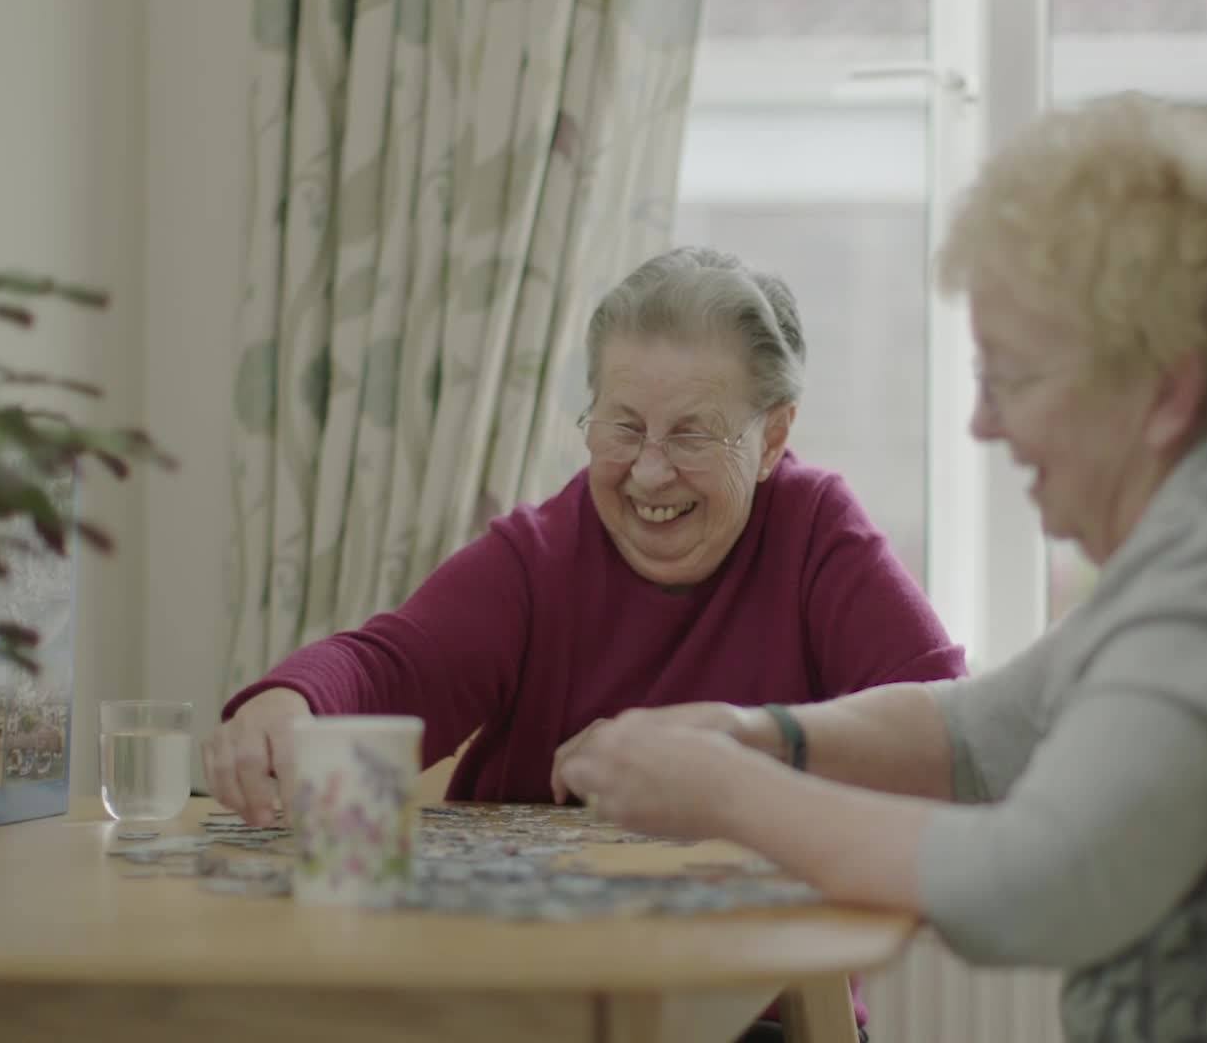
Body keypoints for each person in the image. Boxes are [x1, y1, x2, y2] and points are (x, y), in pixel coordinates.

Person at [551, 94, 1207, 1041]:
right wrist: (757, 734)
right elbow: (982, 735)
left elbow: (1037, 884)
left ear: (1167, 390)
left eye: (1016, 379)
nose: (985, 422)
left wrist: (726, 795)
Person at [204, 245, 957, 1041]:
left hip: (757, 1014)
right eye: (622, 428)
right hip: (529, 1012)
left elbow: (950, 733)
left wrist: (727, 760)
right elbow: (391, 664)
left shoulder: (816, 533)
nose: (649, 473)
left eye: (692, 436)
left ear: (772, 439)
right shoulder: (539, 556)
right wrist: (289, 701)